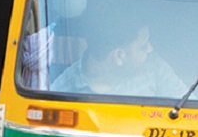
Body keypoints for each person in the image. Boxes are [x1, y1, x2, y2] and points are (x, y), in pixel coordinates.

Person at [50, 22, 187, 97]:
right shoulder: (63, 89)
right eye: (143, 46)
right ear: (119, 56)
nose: (150, 49)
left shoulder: (155, 67)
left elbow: (191, 107)